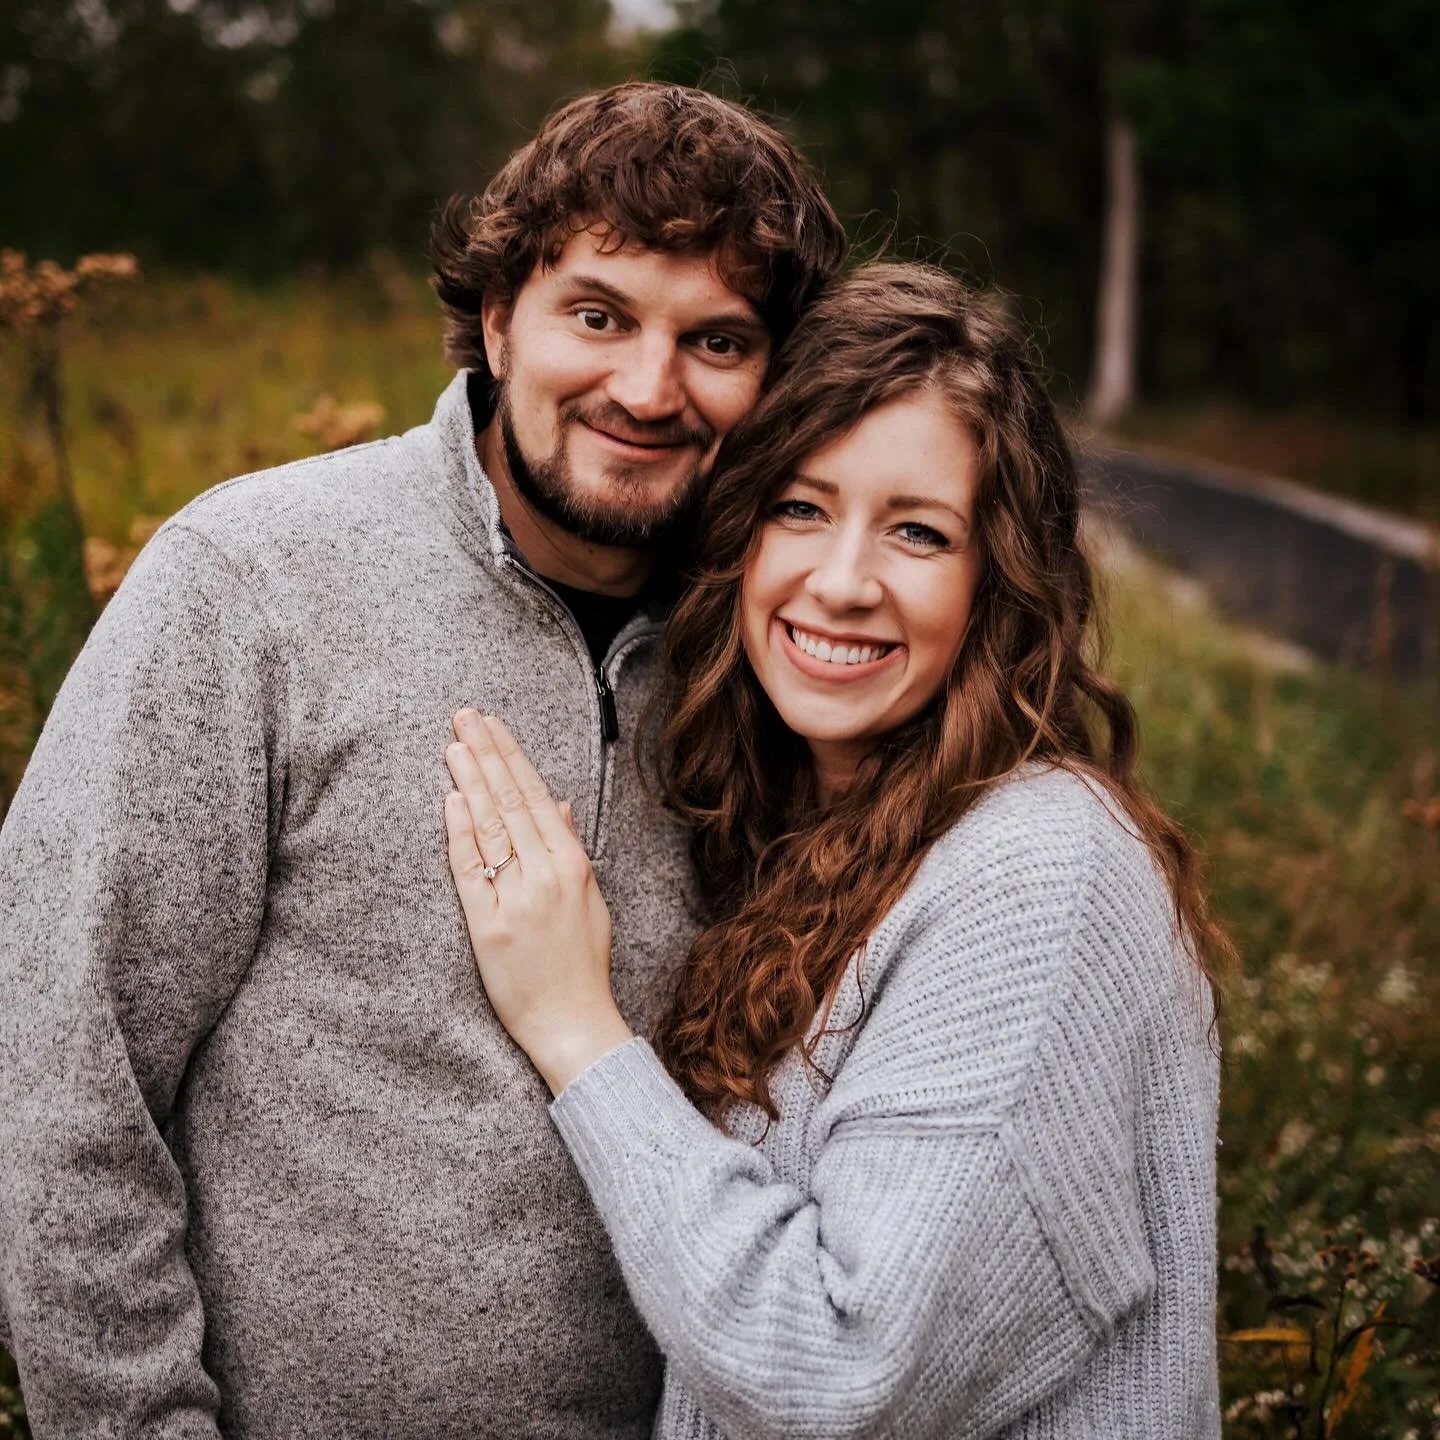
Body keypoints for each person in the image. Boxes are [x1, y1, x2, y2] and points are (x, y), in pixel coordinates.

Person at [0, 84, 844, 1437]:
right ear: (499, 317)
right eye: (599, 315)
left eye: (718, 340)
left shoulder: (793, 650)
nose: (648, 388)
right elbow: (55, 1070)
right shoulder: (253, 583)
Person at [443, 263, 1228, 1438]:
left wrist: (576, 1031)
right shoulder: (824, 836)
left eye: (918, 532)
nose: (844, 582)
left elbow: (838, 1369)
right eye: (801, 510)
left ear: (997, 581)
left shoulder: (1041, 872)